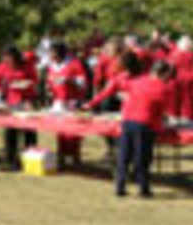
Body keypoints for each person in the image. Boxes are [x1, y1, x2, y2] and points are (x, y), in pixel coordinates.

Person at [84, 54, 174, 197]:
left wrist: (91, 103)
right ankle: (143, 188)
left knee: (124, 155)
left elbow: (116, 87)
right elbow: (162, 111)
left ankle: (120, 186)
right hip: (145, 124)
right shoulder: (164, 88)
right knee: (142, 158)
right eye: (168, 75)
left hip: (127, 121)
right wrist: (161, 126)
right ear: (163, 73)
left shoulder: (136, 81)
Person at [0, 45, 38, 169]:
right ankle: (10, 160)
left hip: (26, 102)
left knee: (29, 132)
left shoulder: (27, 65)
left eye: (8, 58)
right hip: (10, 103)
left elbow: (34, 80)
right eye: (4, 58)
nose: (6, 60)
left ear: (15, 57)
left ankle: (30, 159)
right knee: (10, 132)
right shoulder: (1, 67)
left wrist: (27, 84)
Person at [46, 42, 88, 167]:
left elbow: (83, 83)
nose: (50, 55)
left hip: (72, 102)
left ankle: (75, 157)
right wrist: (49, 88)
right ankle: (61, 156)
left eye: (52, 53)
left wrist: (69, 80)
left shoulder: (74, 64)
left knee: (73, 131)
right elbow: (50, 81)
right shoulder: (51, 66)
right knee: (61, 131)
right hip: (58, 102)